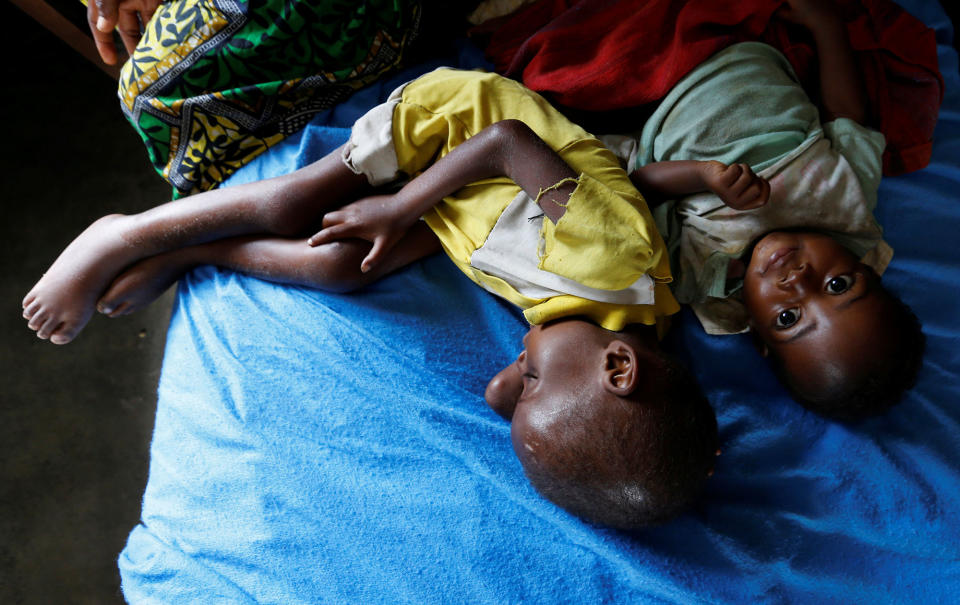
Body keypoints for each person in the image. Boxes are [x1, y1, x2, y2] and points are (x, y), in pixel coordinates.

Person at [22, 68, 718, 528]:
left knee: (338, 271)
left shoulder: (624, 336)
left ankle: (192, 253)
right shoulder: (610, 257)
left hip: (475, 220)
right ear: (618, 368)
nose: (506, 382)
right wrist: (399, 206)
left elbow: (532, 397)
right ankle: (125, 232)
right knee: (294, 204)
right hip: (460, 131)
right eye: (528, 378)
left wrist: (528, 396)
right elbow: (507, 141)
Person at [600, 0, 924, 421]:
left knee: (562, 66)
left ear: (758, 335)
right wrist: (827, 27)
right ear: (868, 269)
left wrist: (703, 176)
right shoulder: (849, 202)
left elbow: (638, 187)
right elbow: (846, 116)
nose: (798, 279)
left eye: (788, 316)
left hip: (649, 89)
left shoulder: (700, 274)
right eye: (839, 285)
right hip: (739, 43)